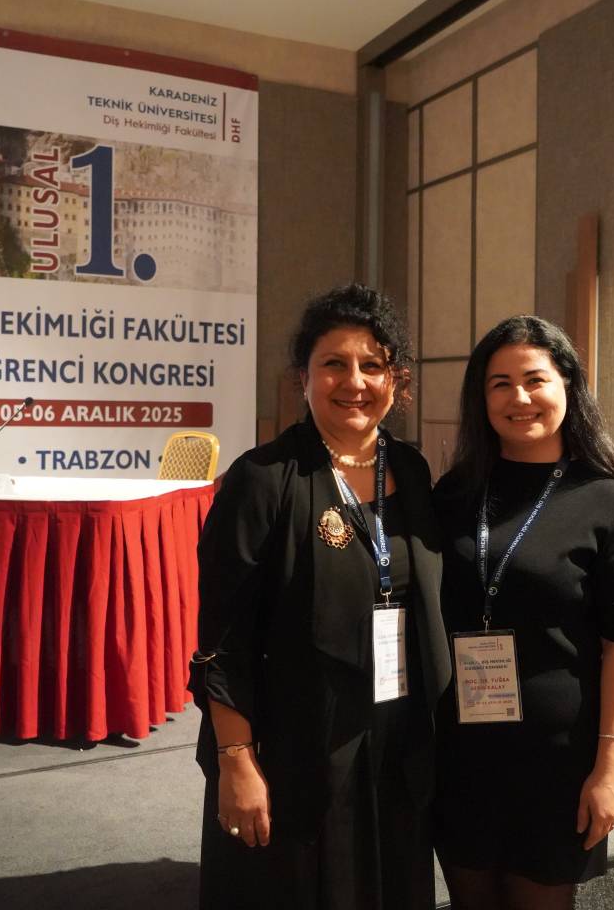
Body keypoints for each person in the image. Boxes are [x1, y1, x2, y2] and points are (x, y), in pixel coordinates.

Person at [190, 283, 451, 910]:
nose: (354, 382)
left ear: (396, 381)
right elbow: (223, 637)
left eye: (372, 365)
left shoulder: (412, 471)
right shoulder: (263, 480)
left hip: (395, 738)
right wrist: (235, 759)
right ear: (302, 378)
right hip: (295, 744)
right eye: (334, 363)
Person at [432, 315, 614, 910]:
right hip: (462, 749)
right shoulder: (454, 493)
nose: (519, 398)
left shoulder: (606, 501)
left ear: (568, 385)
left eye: (535, 380)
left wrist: (609, 770)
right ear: (481, 398)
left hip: (558, 758)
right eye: (500, 384)